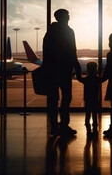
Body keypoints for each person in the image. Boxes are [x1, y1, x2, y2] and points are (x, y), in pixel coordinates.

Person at [42, 8, 82, 136]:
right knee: (66, 97)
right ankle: (64, 124)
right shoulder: (68, 32)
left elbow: (46, 52)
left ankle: (54, 126)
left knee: (53, 99)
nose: (69, 18)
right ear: (62, 17)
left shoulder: (49, 33)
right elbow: (72, 51)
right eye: (68, 16)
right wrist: (77, 68)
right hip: (64, 69)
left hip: (51, 70)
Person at [77, 61, 105, 136]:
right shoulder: (97, 79)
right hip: (95, 99)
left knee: (87, 113)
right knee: (95, 114)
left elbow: (79, 78)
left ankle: (87, 125)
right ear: (96, 70)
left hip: (87, 99)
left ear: (87, 70)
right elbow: (105, 78)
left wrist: (77, 69)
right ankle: (95, 125)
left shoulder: (86, 80)